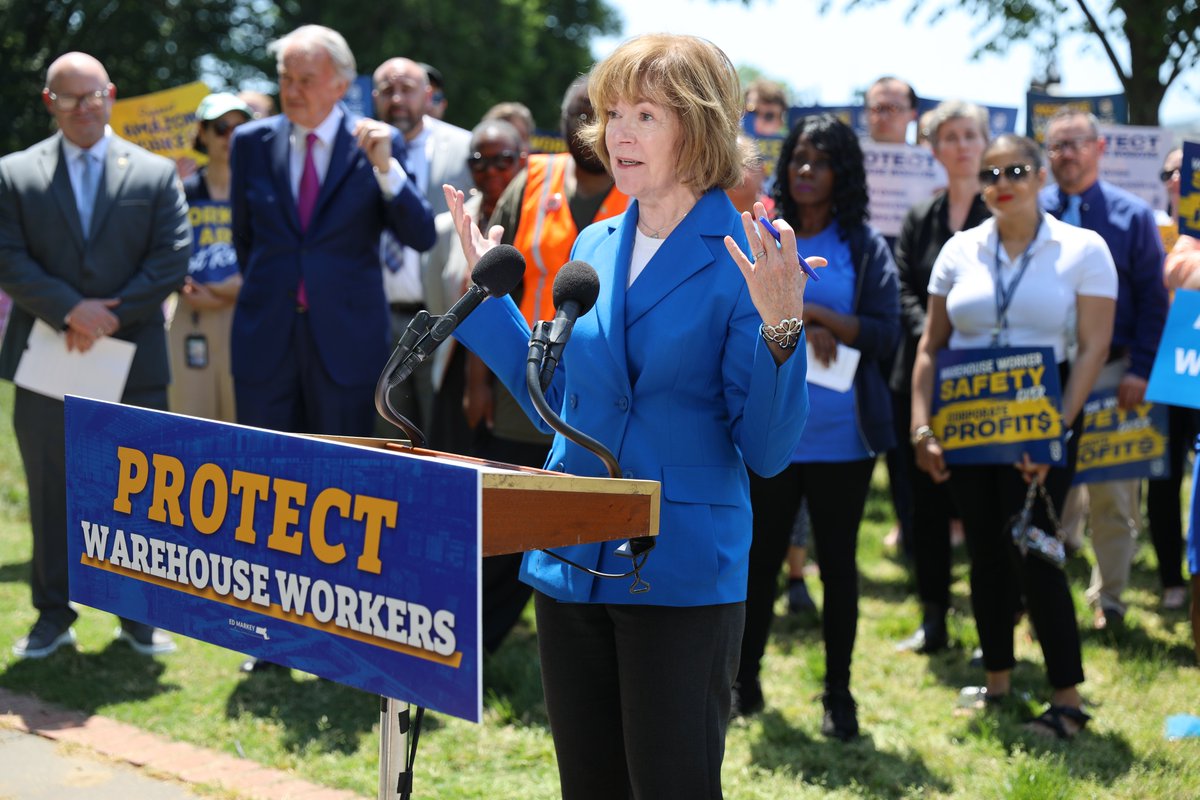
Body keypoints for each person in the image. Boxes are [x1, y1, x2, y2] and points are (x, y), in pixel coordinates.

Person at [445, 33, 812, 797]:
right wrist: (488, 300)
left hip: (676, 569)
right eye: (612, 112)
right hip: (570, 557)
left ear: (700, 127)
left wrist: (781, 331)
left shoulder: (743, 255)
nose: (618, 132)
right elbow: (562, 405)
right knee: (590, 785)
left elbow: (769, 452)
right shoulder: (593, 241)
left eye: (646, 113)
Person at [912, 133, 1117, 739]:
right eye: (991, 173)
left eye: (1017, 170)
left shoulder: (1083, 248)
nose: (1002, 183)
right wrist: (922, 426)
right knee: (983, 551)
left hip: (1045, 410)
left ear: (1042, 175)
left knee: (1038, 552)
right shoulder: (958, 250)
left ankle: (1067, 700)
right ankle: (998, 678)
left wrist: (1055, 430)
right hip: (970, 412)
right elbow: (931, 346)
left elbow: (1094, 348)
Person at [0, 51, 190, 659]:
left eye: (94, 95)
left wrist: (107, 313)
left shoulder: (156, 174)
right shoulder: (15, 173)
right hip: (45, 357)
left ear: (110, 94)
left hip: (133, 356)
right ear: (49, 101)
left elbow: (171, 257)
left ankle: (138, 617)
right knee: (51, 487)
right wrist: (69, 309)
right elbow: (7, 256)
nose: (85, 107)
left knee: (140, 490)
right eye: (70, 97)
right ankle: (53, 614)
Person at [734, 114, 900, 741]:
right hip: (770, 436)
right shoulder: (759, 232)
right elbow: (737, 320)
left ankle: (839, 695)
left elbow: (886, 332)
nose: (806, 170)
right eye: (799, 158)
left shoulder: (863, 244)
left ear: (843, 172)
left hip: (842, 441)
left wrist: (818, 314)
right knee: (757, 563)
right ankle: (742, 682)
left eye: (821, 161)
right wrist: (796, 320)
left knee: (837, 567)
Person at [461, 75, 629, 653]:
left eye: (600, 113)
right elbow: (489, 277)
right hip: (519, 380)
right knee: (508, 521)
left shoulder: (640, 190)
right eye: (578, 113)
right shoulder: (533, 178)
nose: (588, 125)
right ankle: (475, 643)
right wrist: (476, 379)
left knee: (567, 518)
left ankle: (563, 633)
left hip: (597, 395)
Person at [229, 25, 435, 440]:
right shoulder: (250, 142)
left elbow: (420, 234)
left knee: (339, 478)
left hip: (346, 344)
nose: (292, 89)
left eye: (306, 80)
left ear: (340, 85)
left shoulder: (377, 142)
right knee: (260, 476)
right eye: (286, 77)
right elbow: (244, 237)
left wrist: (384, 169)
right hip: (266, 340)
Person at [1040, 109, 1169, 631]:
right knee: (1049, 486)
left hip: (1117, 374)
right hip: (1047, 373)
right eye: (1056, 146)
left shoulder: (1133, 216)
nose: (1065, 155)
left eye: (1075, 144)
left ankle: (1110, 599)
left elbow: (1154, 301)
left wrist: (1141, 368)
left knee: (1114, 491)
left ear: (1100, 149)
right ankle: (1043, 587)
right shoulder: (1032, 213)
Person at [891, 100, 992, 654]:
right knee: (925, 509)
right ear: (933, 149)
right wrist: (935, 327)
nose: (960, 145)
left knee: (981, 508)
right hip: (922, 380)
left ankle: (991, 623)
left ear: (985, 143)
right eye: (949, 137)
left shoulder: (1001, 214)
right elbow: (907, 286)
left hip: (980, 380)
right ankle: (933, 620)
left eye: (969, 135)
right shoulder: (920, 217)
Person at [371, 56, 472, 440]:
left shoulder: (463, 148)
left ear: (428, 95)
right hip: (379, 317)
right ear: (375, 96)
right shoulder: (357, 148)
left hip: (441, 316)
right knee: (386, 438)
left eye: (407, 89)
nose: (397, 99)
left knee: (441, 436)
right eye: (387, 90)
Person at [420, 118, 528, 457]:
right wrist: (472, 381)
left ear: (523, 160)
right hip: (456, 367)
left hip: (518, 364)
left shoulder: (538, 218)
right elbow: (438, 300)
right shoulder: (447, 226)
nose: (490, 170)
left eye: (503, 160)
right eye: (479, 161)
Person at [168, 93, 253, 423]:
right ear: (202, 133)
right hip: (191, 316)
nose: (230, 137)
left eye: (239, 128)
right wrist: (182, 287)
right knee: (190, 420)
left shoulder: (259, 193)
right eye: (221, 128)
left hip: (244, 315)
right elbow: (161, 251)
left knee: (243, 422)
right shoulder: (181, 191)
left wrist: (233, 292)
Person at [865, 76, 918, 145]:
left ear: (913, 115)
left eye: (894, 108)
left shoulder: (928, 155)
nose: (883, 117)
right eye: (876, 108)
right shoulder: (850, 155)